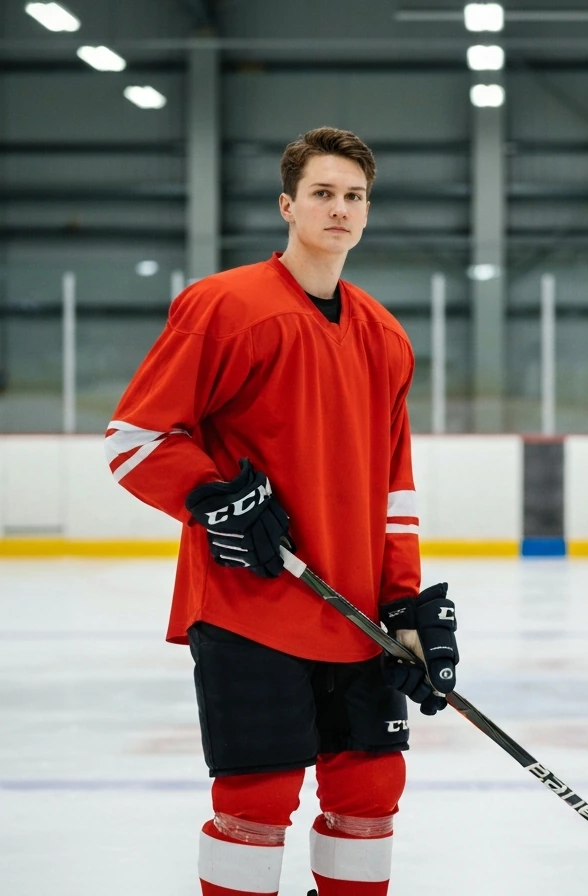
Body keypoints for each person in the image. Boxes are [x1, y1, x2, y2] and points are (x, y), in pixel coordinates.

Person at [105, 126, 460, 896]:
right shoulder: (225, 307)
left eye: (354, 196)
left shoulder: (386, 338)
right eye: (323, 194)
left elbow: (395, 490)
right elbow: (134, 439)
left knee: (370, 797)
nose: (340, 209)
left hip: (356, 613)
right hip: (251, 605)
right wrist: (211, 494)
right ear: (288, 206)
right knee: (255, 804)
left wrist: (403, 600)